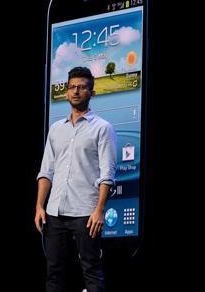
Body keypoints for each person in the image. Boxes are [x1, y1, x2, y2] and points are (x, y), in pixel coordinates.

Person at [35, 67, 117, 292]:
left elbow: (107, 174)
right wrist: (39, 206)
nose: (76, 91)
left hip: (86, 213)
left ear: (92, 92)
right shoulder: (55, 129)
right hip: (55, 213)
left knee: (91, 271)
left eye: (82, 87)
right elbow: (46, 171)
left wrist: (100, 210)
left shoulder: (103, 128)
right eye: (72, 87)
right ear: (66, 92)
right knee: (54, 276)